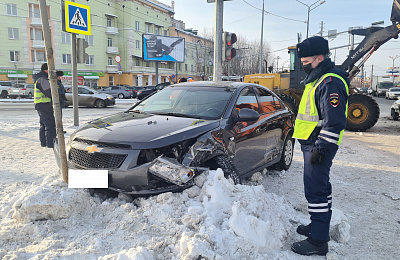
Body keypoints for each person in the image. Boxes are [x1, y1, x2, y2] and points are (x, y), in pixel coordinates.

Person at [291, 36, 350, 256]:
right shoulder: (317, 79)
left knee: (315, 191)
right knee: (321, 189)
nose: (303, 65)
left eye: (306, 61)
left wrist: (321, 149)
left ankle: (318, 241)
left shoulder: (329, 82)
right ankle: (317, 226)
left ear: (320, 57)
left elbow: (334, 121)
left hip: (319, 146)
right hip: (313, 144)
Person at [33, 63, 56, 148]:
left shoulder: (40, 78)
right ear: (46, 70)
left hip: (41, 104)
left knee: (43, 124)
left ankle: (44, 143)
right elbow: (49, 92)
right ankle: (50, 144)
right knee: (50, 124)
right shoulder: (42, 79)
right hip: (44, 105)